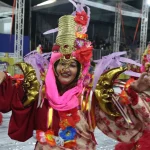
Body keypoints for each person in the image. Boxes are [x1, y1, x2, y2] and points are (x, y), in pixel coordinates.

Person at [0, 2, 150, 150]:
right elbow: (9, 96)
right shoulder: (40, 91)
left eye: (72, 65)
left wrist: (134, 91)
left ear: (80, 69)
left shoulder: (89, 95)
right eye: (61, 64)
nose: (66, 69)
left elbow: (122, 123)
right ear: (54, 65)